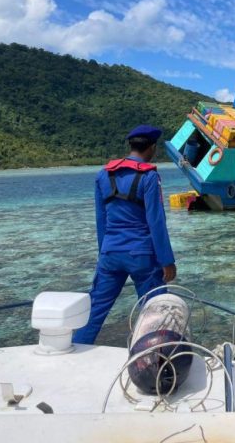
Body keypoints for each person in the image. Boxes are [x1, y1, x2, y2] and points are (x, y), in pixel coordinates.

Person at [73, 124, 177, 345]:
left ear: (131, 146)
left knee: (95, 309)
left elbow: (101, 220)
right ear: (152, 147)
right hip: (142, 255)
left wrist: (104, 252)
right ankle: (156, 358)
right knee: (156, 311)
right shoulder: (149, 177)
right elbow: (156, 222)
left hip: (110, 253)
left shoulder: (103, 175)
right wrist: (167, 261)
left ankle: (76, 349)